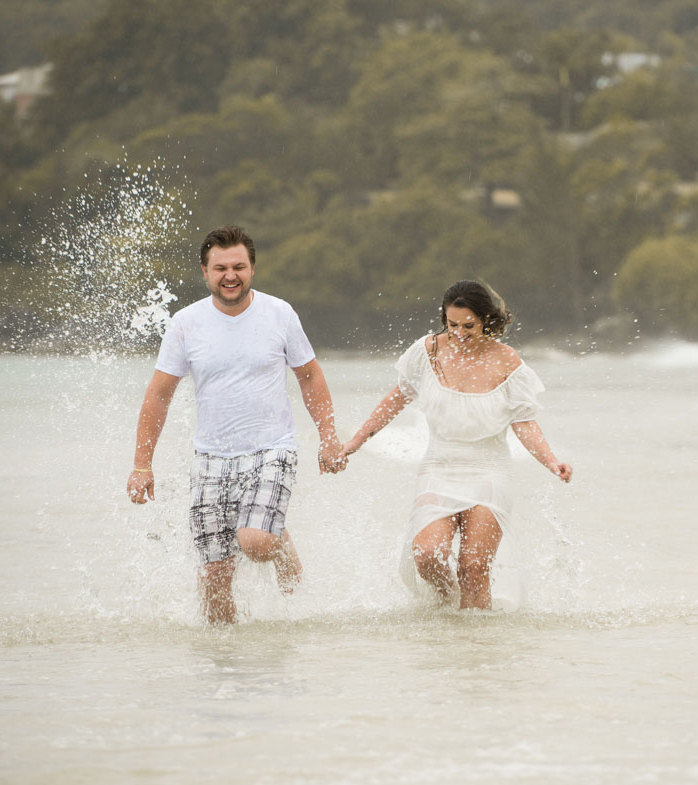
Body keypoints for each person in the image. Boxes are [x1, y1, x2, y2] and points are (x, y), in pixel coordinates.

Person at [126, 225, 346, 624]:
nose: (230, 275)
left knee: (256, 542)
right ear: (205, 272)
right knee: (214, 581)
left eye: (239, 267)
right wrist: (142, 464)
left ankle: (276, 541)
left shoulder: (279, 314)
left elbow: (310, 376)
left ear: (252, 269)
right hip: (211, 458)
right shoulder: (186, 323)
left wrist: (328, 437)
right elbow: (158, 395)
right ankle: (228, 657)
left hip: (272, 448)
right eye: (221, 268)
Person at [343, 281, 571, 611]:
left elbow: (524, 422)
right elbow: (396, 399)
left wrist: (551, 461)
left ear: (486, 321)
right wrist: (356, 440)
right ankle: (449, 605)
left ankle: (474, 637)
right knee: (427, 555)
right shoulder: (427, 351)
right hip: (439, 468)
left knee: (473, 567)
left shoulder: (506, 361)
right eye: (452, 325)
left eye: (469, 326)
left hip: (489, 472)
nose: (460, 334)